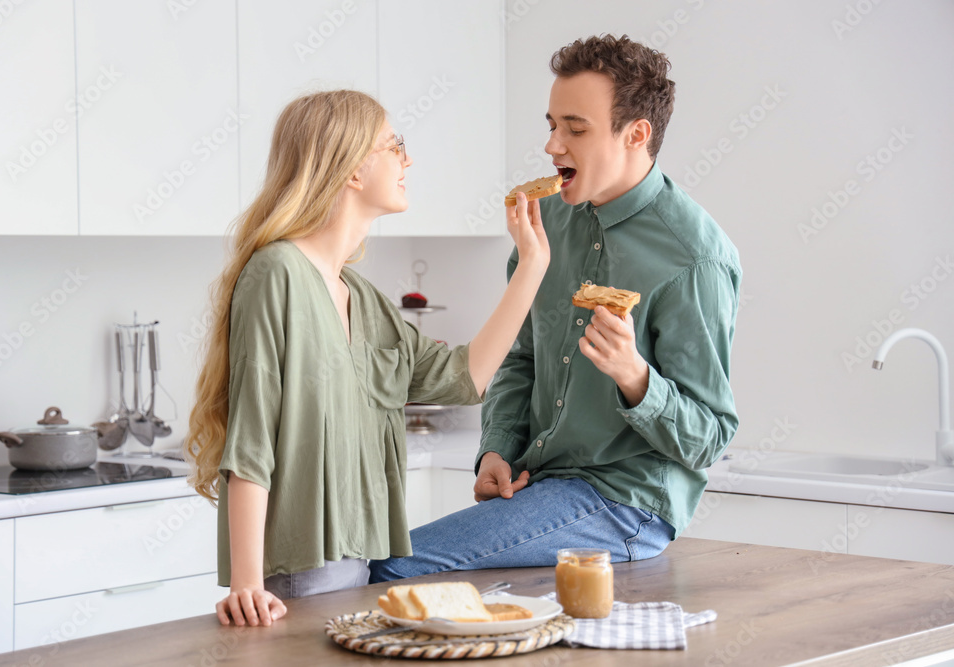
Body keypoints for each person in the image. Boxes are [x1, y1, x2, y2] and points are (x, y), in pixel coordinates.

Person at [370, 34, 741, 582]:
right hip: (542, 485)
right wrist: (497, 450)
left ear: (636, 134)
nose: (552, 147)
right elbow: (521, 358)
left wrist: (635, 376)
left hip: (626, 503)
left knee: (391, 568)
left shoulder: (693, 258)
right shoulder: (546, 224)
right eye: (551, 125)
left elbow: (710, 435)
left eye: (575, 128)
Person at [183, 89, 550, 627]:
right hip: (301, 570)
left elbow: (462, 379)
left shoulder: (362, 295)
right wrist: (247, 584)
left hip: (360, 563)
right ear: (353, 168)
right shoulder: (277, 273)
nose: (407, 160)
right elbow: (252, 438)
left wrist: (531, 267)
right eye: (394, 146)